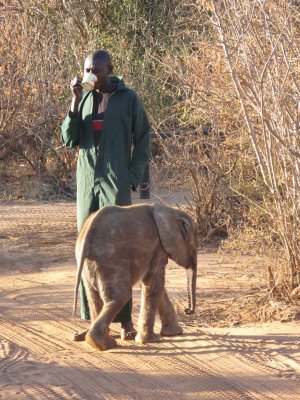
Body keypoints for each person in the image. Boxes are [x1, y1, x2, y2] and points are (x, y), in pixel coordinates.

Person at [61, 50, 150, 341]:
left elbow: (143, 139)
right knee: (88, 250)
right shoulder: (84, 98)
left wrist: (131, 177)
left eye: (96, 70)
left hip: (115, 183)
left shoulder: (128, 99)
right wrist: (74, 101)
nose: (91, 74)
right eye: (87, 69)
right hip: (88, 184)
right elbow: (69, 139)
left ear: (110, 70)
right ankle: (95, 323)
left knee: (119, 252)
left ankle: (124, 322)